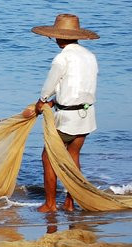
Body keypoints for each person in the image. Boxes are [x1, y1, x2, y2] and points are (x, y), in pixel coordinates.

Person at [28, 13, 99, 212]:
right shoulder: (89, 56)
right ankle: (70, 202)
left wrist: (42, 102)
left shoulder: (63, 57)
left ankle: (50, 204)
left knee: (48, 157)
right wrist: (55, 101)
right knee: (73, 156)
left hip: (67, 118)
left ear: (59, 36)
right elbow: (77, 86)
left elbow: (50, 84)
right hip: (86, 116)